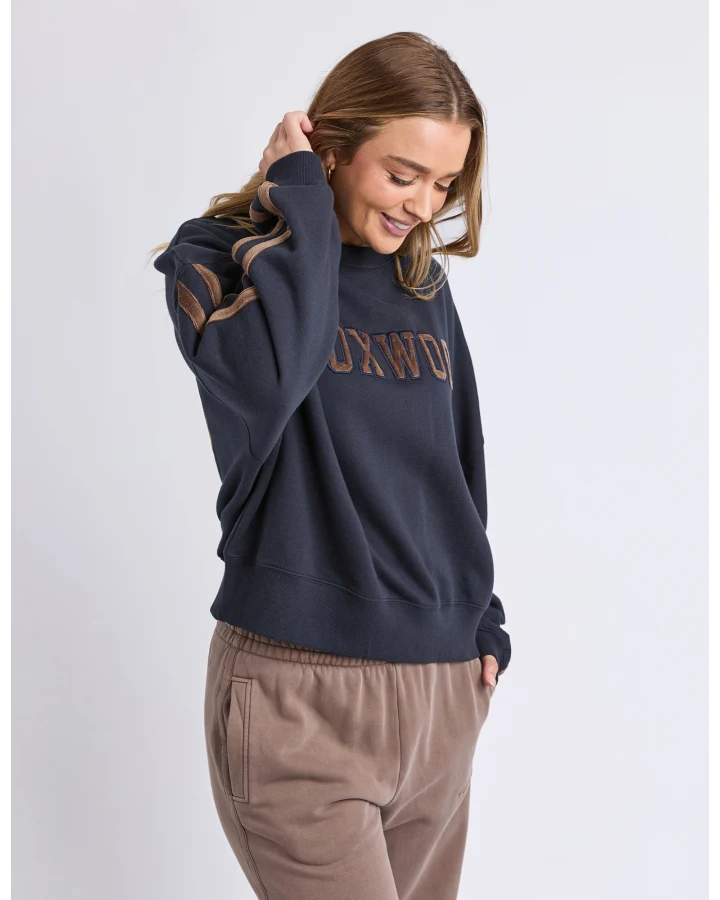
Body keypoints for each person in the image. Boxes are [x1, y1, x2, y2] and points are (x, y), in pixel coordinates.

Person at [152, 30, 511, 900]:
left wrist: (481, 619)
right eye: (403, 175)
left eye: (443, 183)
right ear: (333, 146)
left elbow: (456, 457)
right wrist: (300, 203)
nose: (423, 206)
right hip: (299, 693)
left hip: (441, 689)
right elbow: (272, 377)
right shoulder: (215, 258)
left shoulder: (421, 285)